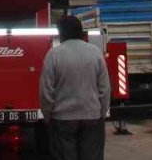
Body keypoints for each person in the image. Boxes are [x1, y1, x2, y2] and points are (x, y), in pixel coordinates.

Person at [39, 15, 110, 160]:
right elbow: (104, 88)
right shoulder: (95, 52)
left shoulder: (53, 55)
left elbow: (46, 91)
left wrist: (48, 116)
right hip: (92, 116)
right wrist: (101, 113)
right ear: (81, 31)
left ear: (61, 33)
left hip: (63, 118)